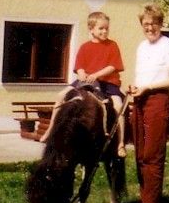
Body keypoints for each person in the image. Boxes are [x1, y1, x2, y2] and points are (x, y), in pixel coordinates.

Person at [40, 12, 126, 157]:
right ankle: (51, 129)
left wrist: (97, 75)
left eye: (106, 28)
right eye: (101, 28)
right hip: (86, 80)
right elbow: (79, 66)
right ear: (91, 29)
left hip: (108, 82)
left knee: (118, 106)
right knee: (61, 96)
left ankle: (120, 143)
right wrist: (81, 74)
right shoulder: (85, 47)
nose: (104, 31)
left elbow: (113, 66)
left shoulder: (112, 45)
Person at [127, 4, 169, 203]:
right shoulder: (142, 47)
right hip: (140, 101)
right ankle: (145, 201)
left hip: (158, 101)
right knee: (140, 153)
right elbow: (143, 76)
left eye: (154, 23)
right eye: (146, 24)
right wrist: (134, 87)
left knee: (152, 154)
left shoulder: (168, 45)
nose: (150, 28)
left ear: (161, 24)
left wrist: (148, 87)